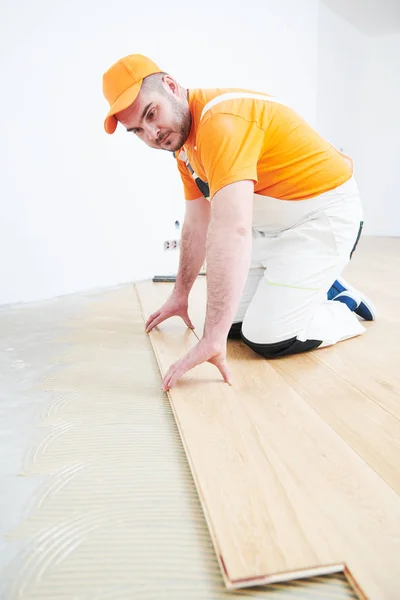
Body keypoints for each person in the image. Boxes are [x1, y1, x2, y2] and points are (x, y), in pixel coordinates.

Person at [102, 54, 375, 391]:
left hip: (323, 219)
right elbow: (197, 224)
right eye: (138, 131)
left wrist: (210, 341)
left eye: (151, 114)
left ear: (171, 86)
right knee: (232, 327)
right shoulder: (184, 148)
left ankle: (337, 304)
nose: (153, 133)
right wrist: (180, 294)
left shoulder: (221, 120)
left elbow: (231, 230)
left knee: (267, 336)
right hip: (275, 230)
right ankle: (314, 282)